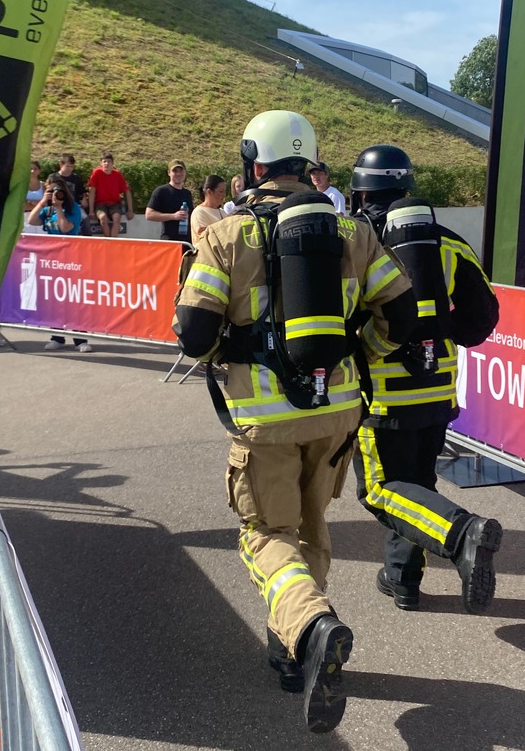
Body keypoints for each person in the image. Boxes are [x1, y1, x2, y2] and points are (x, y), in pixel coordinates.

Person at [174, 110, 504, 734]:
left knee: (264, 533)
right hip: (340, 415)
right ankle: (292, 652)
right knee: (309, 525)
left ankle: (312, 626)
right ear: (308, 164)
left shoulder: (225, 236)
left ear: (254, 162)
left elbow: (193, 335)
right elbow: (403, 314)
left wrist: (229, 345)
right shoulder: (354, 232)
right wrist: (370, 348)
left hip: (265, 421)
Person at [349, 143, 500, 612]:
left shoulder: (359, 242)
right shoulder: (449, 242)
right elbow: (482, 320)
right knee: (415, 482)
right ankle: (402, 580)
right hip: (437, 388)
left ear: (361, 193)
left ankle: (461, 534)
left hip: (381, 396)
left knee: (379, 490)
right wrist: (437, 333)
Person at [28, 174, 93, 353]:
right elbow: (31, 220)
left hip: (71, 259)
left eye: (58, 191)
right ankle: (57, 336)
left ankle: (80, 339)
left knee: (73, 300)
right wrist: (43, 201)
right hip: (52, 260)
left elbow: (66, 228)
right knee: (54, 300)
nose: (55, 194)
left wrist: (59, 208)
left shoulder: (73, 208)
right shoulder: (47, 209)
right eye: (51, 191)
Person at [145, 159, 194, 242]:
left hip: (187, 241)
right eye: (175, 171)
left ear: (185, 172)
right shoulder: (161, 191)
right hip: (170, 241)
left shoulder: (187, 193)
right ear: (169, 173)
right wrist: (173, 216)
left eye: (181, 171)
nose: (178, 174)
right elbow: (149, 215)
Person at [88, 152, 134, 238]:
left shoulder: (117, 174)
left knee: (116, 218)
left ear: (112, 163)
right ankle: (108, 241)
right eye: (104, 161)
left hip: (115, 204)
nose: (106, 164)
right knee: (103, 218)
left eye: (109, 161)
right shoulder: (96, 173)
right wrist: (91, 211)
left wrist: (130, 210)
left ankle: (113, 241)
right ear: (101, 163)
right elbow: (92, 192)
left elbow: (127, 192)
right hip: (100, 204)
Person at [190, 174, 226, 245]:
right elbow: (205, 236)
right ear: (209, 192)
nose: (224, 195)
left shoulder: (222, 212)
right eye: (221, 191)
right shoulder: (199, 212)